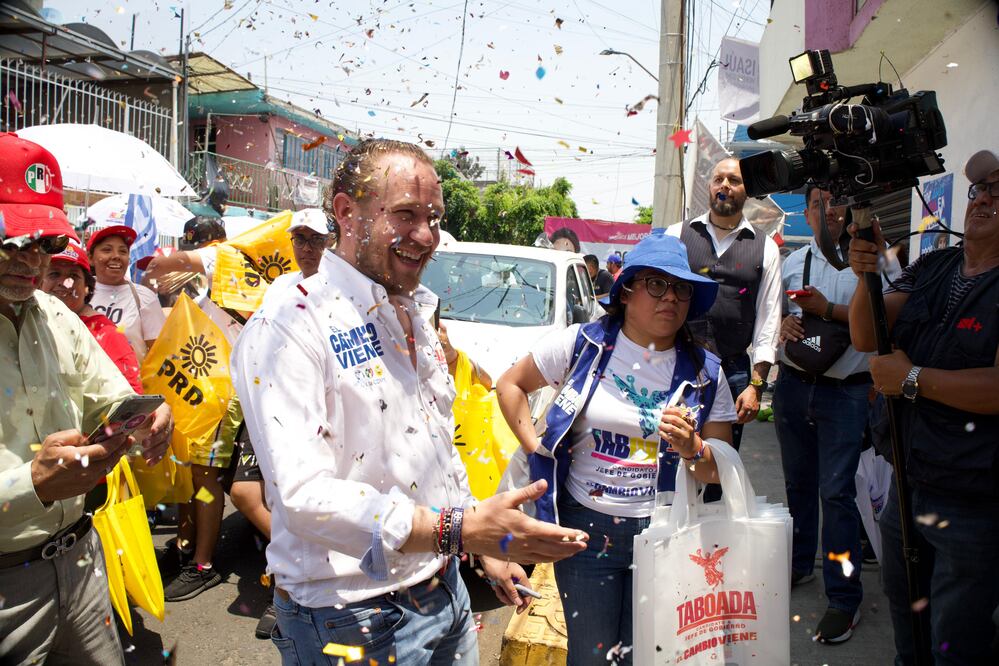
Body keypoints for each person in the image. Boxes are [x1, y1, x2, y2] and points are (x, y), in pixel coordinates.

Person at [231, 138, 588, 664]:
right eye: (404, 214)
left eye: (434, 217)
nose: (426, 235)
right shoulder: (289, 326)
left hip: (446, 593)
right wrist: (461, 529)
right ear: (346, 211)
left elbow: (435, 451)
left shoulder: (414, 312)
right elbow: (305, 499)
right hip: (351, 616)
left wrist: (480, 545)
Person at [497, 229, 738, 664]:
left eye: (681, 289)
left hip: (665, 532)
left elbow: (718, 469)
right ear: (626, 291)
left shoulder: (707, 373)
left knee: (648, 654)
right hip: (585, 531)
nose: (670, 298)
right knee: (592, 655)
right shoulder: (582, 344)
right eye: (657, 284)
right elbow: (511, 385)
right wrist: (538, 448)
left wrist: (692, 448)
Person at [0, 132, 172, 664]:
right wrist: (28, 483)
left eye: (44, 244)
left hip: (82, 558)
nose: (30, 261)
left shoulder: (55, 316)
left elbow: (111, 396)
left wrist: (148, 414)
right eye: (11, 241)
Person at [848, 149, 999, 665]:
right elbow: (868, 331)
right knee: (907, 622)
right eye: (980, 189)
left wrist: (911, 379)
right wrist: (865, 271)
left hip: (975, 502)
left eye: (998, 191)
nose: (982, 199)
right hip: (910, 488)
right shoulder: (936, 264)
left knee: (957, 638)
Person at [228, 207, 334, 638]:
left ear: (332, 242)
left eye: (316, 239)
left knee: (306, 499)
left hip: (319, 416)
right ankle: (289, 580)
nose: (307, 248)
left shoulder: (342, 291)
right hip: (270, 412)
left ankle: (290, 593)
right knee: (250, 493)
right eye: (300, 239)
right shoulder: (278, 287)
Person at [775, 185, 870, 644]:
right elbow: (773, 322)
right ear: (807, 214)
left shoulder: (869, 263)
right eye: (818, 203)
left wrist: (824, 311)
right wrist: (784, 325)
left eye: (835, 202)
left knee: (836, 495)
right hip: (794, 388)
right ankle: (797, 568)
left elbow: (874, 324)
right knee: (799, 485)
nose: (828, 211)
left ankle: (844, 598)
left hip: (846, 395)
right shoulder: (792, 263)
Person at [670, 157, 781, 499]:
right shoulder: (679, 235)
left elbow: (769, 319)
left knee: (717, 466)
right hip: (677, 362)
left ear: (747, 191)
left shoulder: (765, 248)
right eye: (719, 179)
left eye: (734, 180)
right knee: (671, 456)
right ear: (709, 186)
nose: (725, 186)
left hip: (732, 371)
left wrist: (756, 386)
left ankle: (708, 548)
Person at [39, 238, 143, 393]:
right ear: (39, 281)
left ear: (87, 286)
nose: (64, 282)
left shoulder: (106, 333)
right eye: (54, 274)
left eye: (73, 276)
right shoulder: (31, 322)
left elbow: (132, 396)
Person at [86, 224, 166, 361]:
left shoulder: (144, 297)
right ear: (90, 258)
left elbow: (160, 355)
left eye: (123, 251)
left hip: (130, 381)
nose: (116, 256)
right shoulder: (79, 292)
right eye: (107, 250)